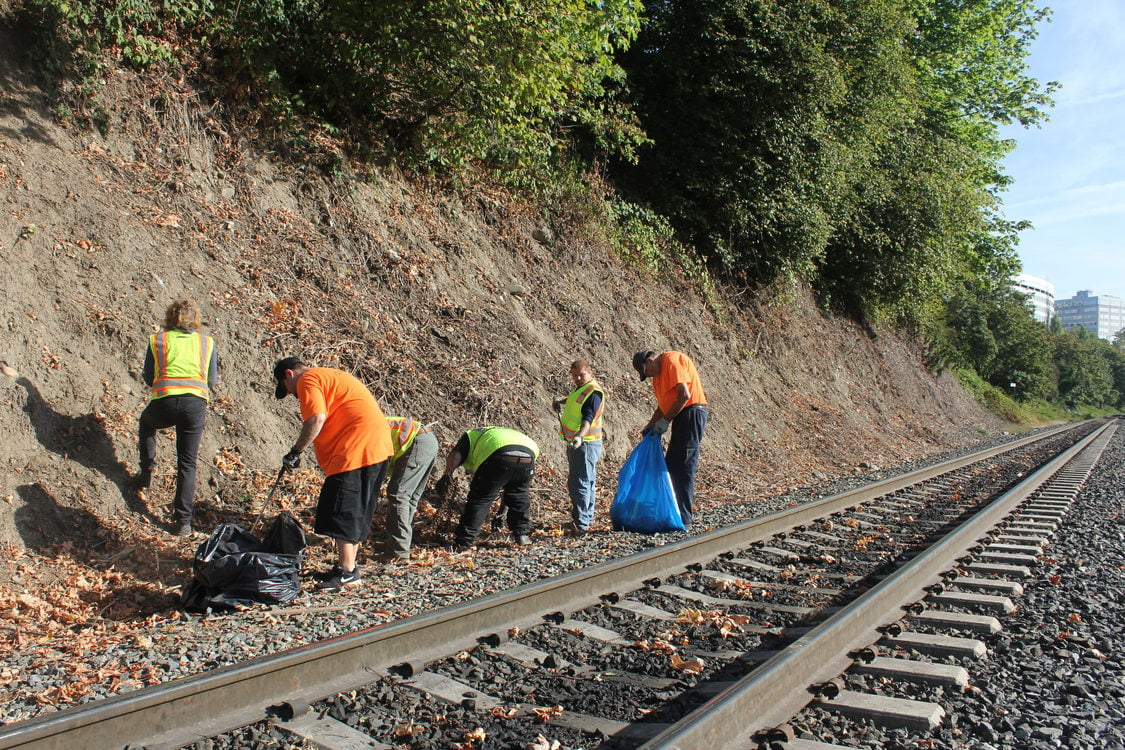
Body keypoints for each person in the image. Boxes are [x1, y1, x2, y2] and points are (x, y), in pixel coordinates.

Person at [273, 357, 393, 592]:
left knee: (343, 509)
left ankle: (347, 572)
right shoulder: (330, 375)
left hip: (356, 446)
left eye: (286, 388)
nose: (292, 395)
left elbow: (317, 418)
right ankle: (348, 568)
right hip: (377, 445)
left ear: (289, 374)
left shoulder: (308, 379)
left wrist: (295, 452)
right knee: (355, 509)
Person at [138, 299, 218, 536]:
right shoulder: (206, 342)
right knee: (187, 463)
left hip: (164, 400)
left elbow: (148, 375)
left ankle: (146, 471)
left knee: (147, 424)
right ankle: (183, 522)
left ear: (170, 317)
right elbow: (211, 380)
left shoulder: (158, 339)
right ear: (196, 318)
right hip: (195, 404)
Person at [632, 350, 708, 526]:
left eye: (647, 371)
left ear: (650, 360)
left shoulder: (672, 361)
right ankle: (673, 512)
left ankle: (683, 517)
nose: (649, 376)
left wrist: (666, 421)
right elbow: (662, 406)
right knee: (672, 465)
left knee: (683, 464)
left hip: (692, 412)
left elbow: (684, 395)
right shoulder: (657, 378)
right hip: (681, 414)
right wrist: (651, 425)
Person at [433, 426, 540, 549]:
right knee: (519, 496)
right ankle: (522, 535)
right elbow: (509, 481)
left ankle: (463, 542)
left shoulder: (470, 435)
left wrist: (447, 475)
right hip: (528, 456)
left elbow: (456, 454)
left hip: (498, 455)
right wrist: (501, 512)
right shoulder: (503, 435)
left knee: (480, 499)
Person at [554, 359, 604, 536]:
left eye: (581, 375)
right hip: (583, 443)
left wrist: (579, 437)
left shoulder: (594, 393)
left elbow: (588, 418)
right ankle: (584, 519)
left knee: (580, 482)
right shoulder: (583, 388)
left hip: (586, 444)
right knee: (586, 480)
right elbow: (577, 399)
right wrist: (562, 401)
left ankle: (582, 523)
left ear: (590, 372)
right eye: (574, 376)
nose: (578, 378)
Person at [383, 415, 439, 561]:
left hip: (417, 441)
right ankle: (401, 546)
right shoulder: (370, 426)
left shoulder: (365, 431)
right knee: (410, 497)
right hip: (427, 439)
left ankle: (398, 552)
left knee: (398, 494)